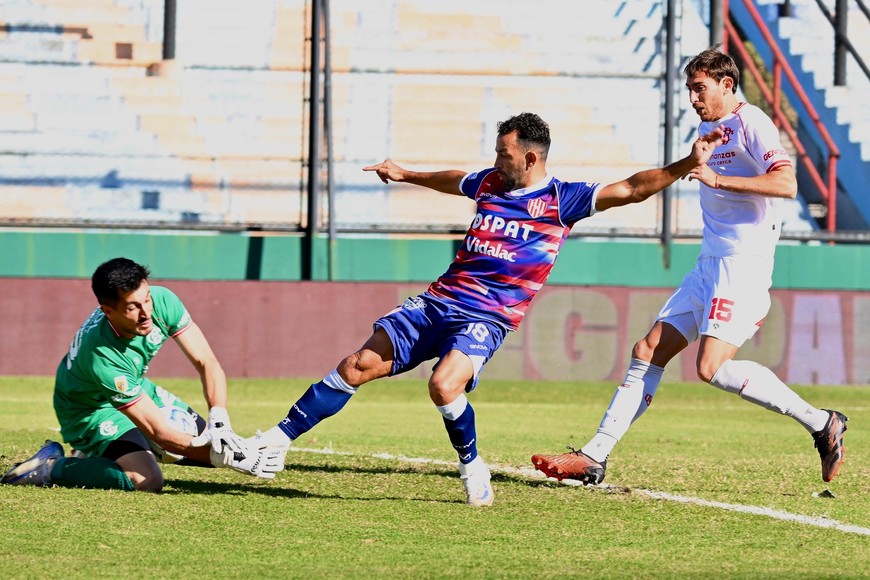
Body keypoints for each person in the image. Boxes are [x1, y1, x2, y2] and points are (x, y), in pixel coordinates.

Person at [246, 111, 723, 506]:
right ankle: (275, 442)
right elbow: (456, 180)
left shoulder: (562, 200)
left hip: (487, 317)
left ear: (531, 158)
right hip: (438, 301)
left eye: (504, 153)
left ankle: (472, 466)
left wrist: (685, 163)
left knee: (443, 384)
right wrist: (406, 173)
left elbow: (633, 188)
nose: (496, 161)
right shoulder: (491, 183)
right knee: (357, 364)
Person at [531, 47, 847, 486]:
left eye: (700, 88)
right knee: (647, 351)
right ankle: (594, 455)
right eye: (689, 90)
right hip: (710, 263)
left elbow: (786, 182)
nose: (693, 98)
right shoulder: (708, 129)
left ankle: (820, 422)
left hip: (742, 265)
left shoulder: (751, 122)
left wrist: (720, 180)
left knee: (710, 367)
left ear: (727, 85)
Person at [1, 257, 282, 491]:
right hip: (89, 408)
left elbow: (206, 361)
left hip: (135, 387)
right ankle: (52, 467)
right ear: (108, 311)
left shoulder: (161, 301)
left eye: (146, 299)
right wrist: (234, 458)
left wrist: (219, 419)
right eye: (132, 307)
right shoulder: (104, 358)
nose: (146, 313)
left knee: (210, 446)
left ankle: (100, 452)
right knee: (146, 479)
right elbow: (161, 434)